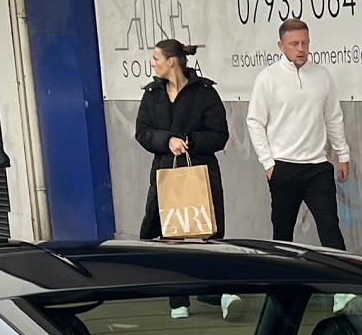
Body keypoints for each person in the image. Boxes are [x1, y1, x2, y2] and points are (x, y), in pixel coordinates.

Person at [246, 19, 350, 247]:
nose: (301, 49)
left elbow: (333, 116)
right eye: (294, 43)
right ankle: (282, 281)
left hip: (317, 167)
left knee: (331, 230)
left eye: (305, 43)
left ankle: (341, 279)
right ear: (281, 45)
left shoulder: (322, 75)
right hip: (284, 166)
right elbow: (255, 121)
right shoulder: (268, 78)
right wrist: (268, 163)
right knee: (283, 234)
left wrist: (343, 154)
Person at [133, 39, 229, 240]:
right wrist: (167, 141)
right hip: (165, 174)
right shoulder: (152, 94)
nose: (152, 63)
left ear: (171, 62)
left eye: (156, 58)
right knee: (163, 237)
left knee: (208, 235)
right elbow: (142, 132)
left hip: (202, 176)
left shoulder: (204, 93)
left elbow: (219, 135)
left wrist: (189, 140)